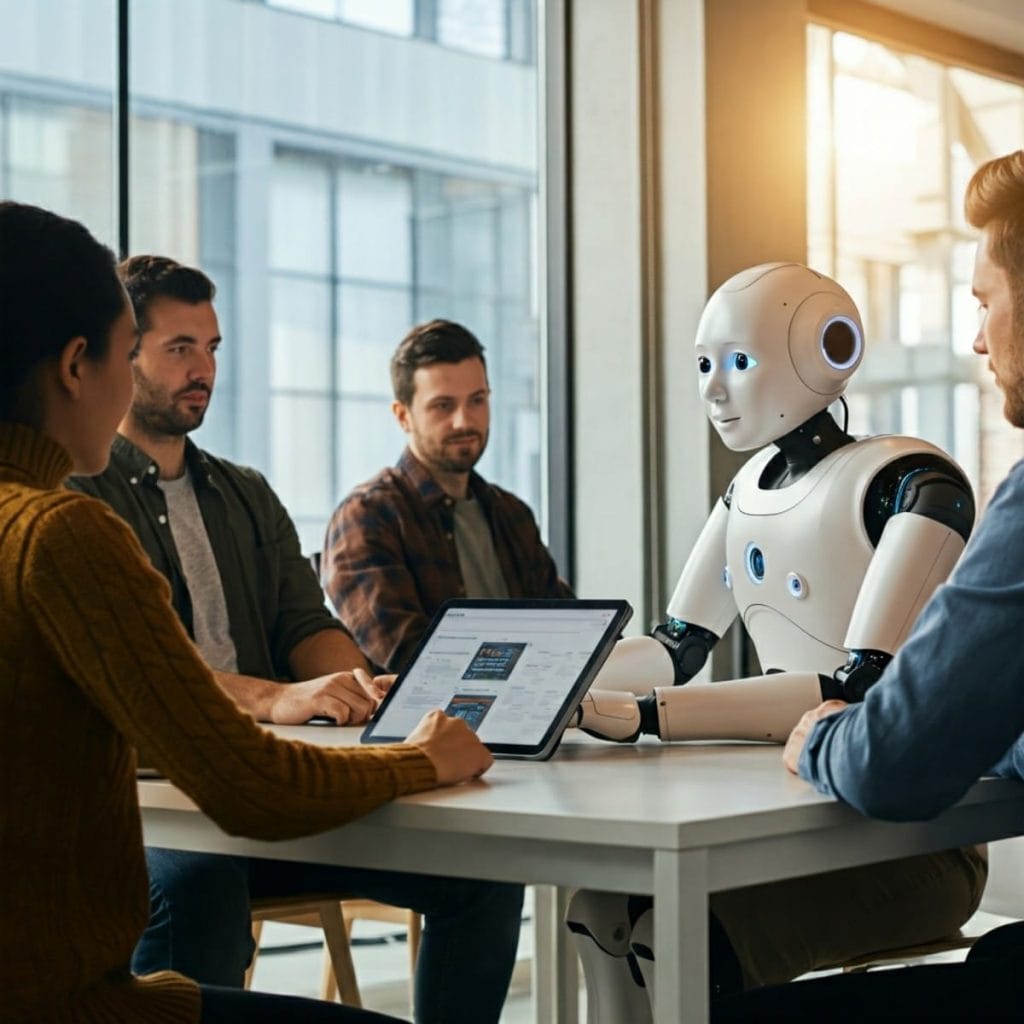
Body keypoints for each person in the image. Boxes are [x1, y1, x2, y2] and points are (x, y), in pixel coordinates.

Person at [0, 201, 493, 1024]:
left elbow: (302, 627)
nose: (202, 367)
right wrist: (418, 761)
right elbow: (249, 786)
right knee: (198, 883)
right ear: (78, 365)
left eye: (212, 348)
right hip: (70, 1002)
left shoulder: (225, 494)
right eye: (142, 352)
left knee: (473, 877)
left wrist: (371, 694)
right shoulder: (63, 532)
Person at [566, 263, 987, 1021]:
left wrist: (652, 715)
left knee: (671, 930)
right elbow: (675, 646)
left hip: (909, 841)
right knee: (600, 908)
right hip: (778, 809)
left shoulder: (910, 482)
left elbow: (859, 687)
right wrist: (559, 683)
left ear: (826, 350)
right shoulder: (748, 488)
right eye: (703, 365)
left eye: (738, 362)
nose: (713, 390)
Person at [712, 150, 1024, 1020]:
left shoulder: (917, 481)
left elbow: (890, 748)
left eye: (982, 301)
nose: (976, 337)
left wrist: (822, 732)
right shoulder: (743, 493)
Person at [323, 318, 572, 674]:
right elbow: (410, 657)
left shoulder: (511, 514)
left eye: (477, 400)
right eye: (443, 405)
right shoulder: (368, 517)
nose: (464, 421)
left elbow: (568, 635)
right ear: (402, 416)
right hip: (422, 729)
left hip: (528, 721)